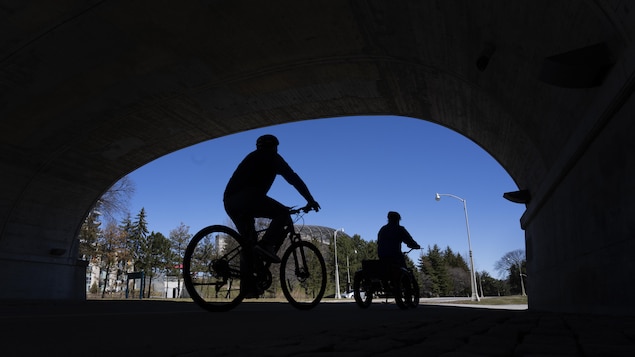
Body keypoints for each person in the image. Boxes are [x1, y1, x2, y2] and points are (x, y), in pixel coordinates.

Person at [223, 134, 321, 264]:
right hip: (247, 198)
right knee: (283, 213)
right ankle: (266, 244)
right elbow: (294, 179)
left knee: (250, 244)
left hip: (230, 202)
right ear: (274, 147)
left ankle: (250, 278)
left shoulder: (251, 156)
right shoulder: (272, 157)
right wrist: (310, 200)